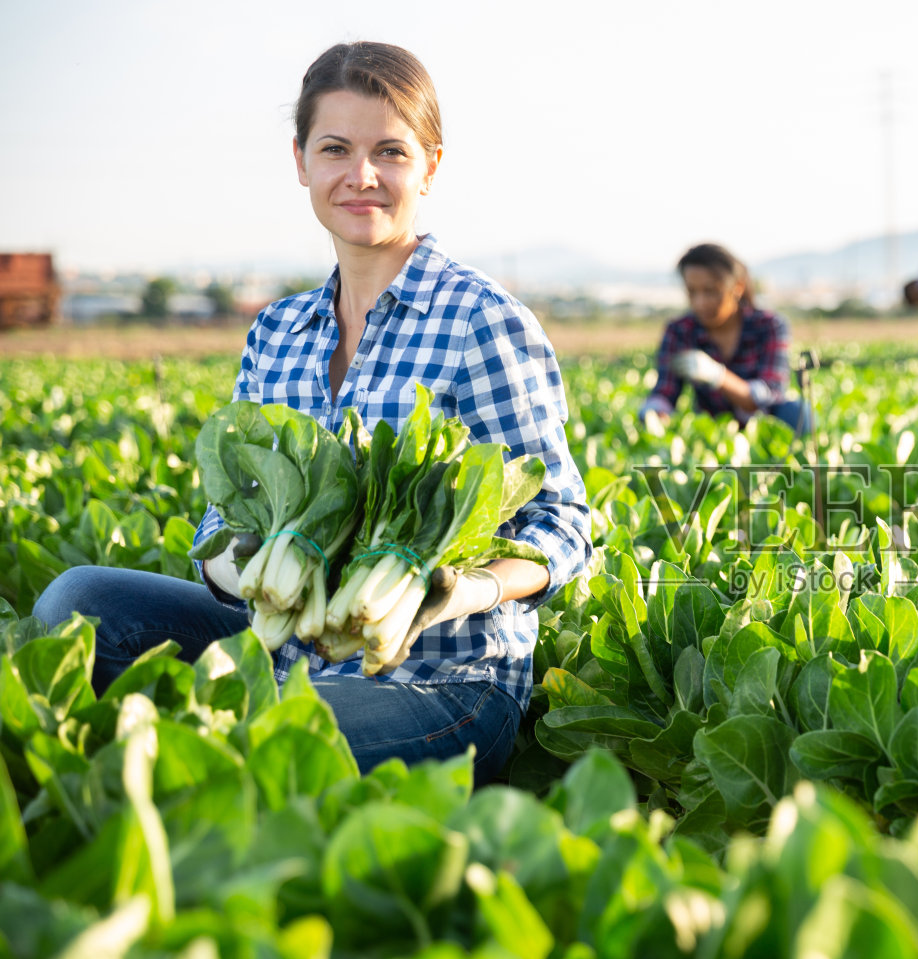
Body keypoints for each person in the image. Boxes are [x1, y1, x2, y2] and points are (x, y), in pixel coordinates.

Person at [33, 41, 591, 786]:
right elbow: (220, 519)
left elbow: (564, 523)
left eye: (390, 152)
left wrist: (467, 587)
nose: (362, 176)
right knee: (76, 600)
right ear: (301, 161)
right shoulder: (278, 330)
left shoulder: (482, 321)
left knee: (268, 740)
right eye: (336, 149)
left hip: (444, 680)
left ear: (431, 165)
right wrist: (252, 568)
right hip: (287, 644)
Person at [637, 243, 812, 434]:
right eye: (692, 292)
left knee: (800, 415)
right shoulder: (679, 331)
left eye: (711, 291)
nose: (700, 302)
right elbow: (665, 391)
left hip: (764, 426)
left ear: (737, 287)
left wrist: (717, 375)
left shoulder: (769, 326)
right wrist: (655, 413)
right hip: (712, 429)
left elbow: (770, 392)